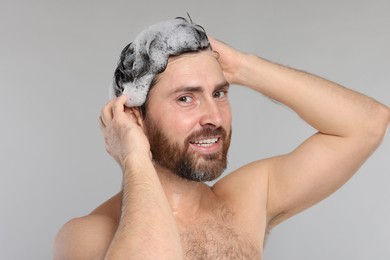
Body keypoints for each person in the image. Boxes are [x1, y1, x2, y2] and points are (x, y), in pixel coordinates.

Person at [53, 17, 390, 259]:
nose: (214, 117)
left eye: (219, 93)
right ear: (135, 116)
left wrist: (243, 68)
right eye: (186, 98)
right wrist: (134, 157)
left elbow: (367, 124)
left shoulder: (246, 201)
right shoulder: (87, 236)